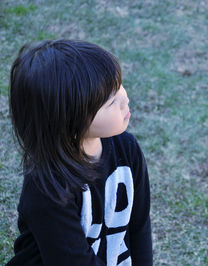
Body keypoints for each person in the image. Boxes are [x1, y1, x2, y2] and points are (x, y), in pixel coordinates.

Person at [6, 39, 153, 265]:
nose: (125, 98)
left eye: (119, 86)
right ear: (69, 124)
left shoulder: (127, 149)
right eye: (111, 102)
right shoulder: (47, 188)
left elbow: (139, 225)